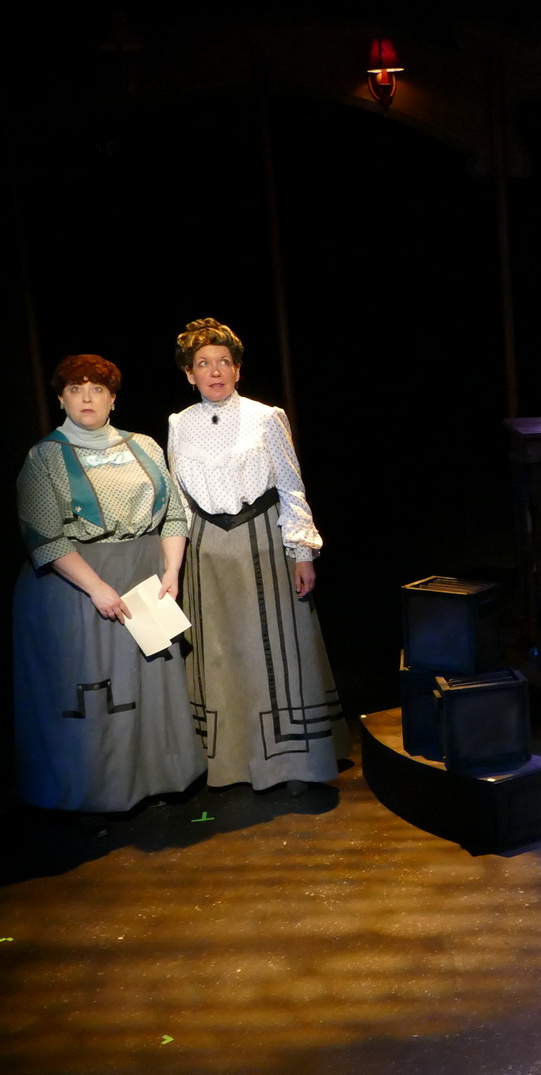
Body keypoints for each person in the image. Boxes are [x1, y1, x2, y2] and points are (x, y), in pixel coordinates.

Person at [13, 354, 203, 812]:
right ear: (61, 398)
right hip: (76, 586)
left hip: (145, 574)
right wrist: (96, 587)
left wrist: (172, 571)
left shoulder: (145, 446)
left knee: (152, 681)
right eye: (75, 389)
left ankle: (159, 781)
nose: (86, 398)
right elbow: (44, 534)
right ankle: (97, 792)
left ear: (113, 399)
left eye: (97, 389)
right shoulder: (45, 456)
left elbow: (175, 514)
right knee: (97, 689)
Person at [166, 318, 349, 791]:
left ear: (238, 369)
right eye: (203, 364)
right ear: (189, 374)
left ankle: (292, 764)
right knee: (221, 653)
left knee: (274, 650)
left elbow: (290, 485)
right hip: (208, 549)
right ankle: (230, 762)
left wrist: (301, 550)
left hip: (262, 539)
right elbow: (178, 500)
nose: (214, 371)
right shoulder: (178, 424)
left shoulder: (265, 416)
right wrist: (177, 564)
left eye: (223, 362)